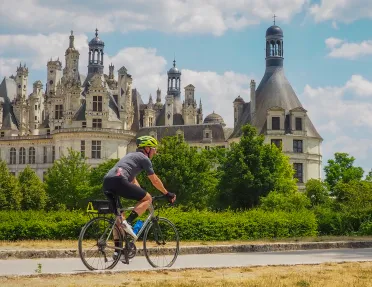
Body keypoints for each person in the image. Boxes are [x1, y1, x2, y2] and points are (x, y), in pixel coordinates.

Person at [102, 135, 176, 240]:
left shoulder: (130, 157)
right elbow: (154, 180)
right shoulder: (144, 158)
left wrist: (142, 193)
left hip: (107, 182)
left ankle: (118, 253)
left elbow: (133, 181)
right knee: (148, 198)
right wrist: (166, 193)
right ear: (147, 148)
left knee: (119, 219)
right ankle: (128, 222)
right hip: (119, 180)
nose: (155, 152)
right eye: (154, 149)